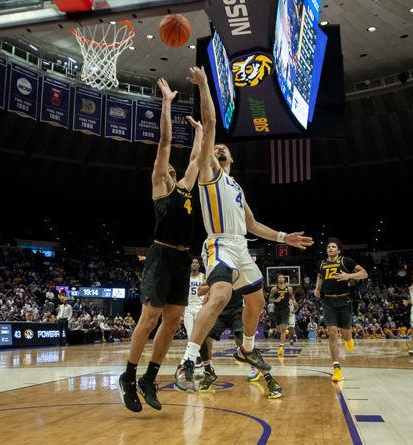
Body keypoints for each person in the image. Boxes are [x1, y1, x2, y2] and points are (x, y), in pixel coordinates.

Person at [174, 66, 313, 392]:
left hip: (241, 245)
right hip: (218, 244)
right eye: (215, 147)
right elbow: (209, 123)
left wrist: (284, 237)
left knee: (258, 302)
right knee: (221, 294)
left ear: (232, 157)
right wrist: (205, 85)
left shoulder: (236, 187)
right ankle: (189, 360)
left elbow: (251, 224)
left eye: (224, 148)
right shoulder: (210, 173)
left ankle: (247, 349)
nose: (219, 148)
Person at [118, 77, 205, 413]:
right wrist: (167, 102)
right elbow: (166, 141)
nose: (170, 164)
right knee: (151, 314)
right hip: (161, 253)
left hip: (183, 259)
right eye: (166, 164)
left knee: (173, 320)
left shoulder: (185, 187)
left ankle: (150, 378)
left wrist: (199, 132)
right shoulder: (160, 185)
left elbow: (197, 158)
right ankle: (129, 374)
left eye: (172, 165)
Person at [196, 282, 282, 398]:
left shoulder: (237, 267)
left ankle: (269, 379)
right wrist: (213, 286)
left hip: (237, 311)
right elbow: (200, 290)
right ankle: (208, 372)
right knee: (202, 334)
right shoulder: (214, 268)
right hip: (218, 310)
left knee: (245, 344)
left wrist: (221, 285)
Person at [314, 238, 368, 382]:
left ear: (338, 250)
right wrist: (317, 289)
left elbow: (364, 273)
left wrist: (348, 276)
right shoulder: (321, 263)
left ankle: (349, 339)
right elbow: (319, 276)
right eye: (328, 247)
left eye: (333, 247)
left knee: (346, 334)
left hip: (344, 300)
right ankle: (336, 368)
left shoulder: (346, 261)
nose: (330, 249)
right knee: (332, 332)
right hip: (328, 301)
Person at [268, 274, 293, 356]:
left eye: (282, 277)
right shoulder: (274, 289)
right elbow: (270, 299)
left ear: (284, 279)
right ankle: (285, 331)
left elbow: (292, 297)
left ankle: (281, 347)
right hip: (277, 309)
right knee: (278, 329)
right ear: (277, 279)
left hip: (285, 309)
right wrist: (276, 300)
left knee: (282, 327)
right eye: (279, 277)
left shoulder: (289, 288)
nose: (280, 278)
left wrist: (295, 303)